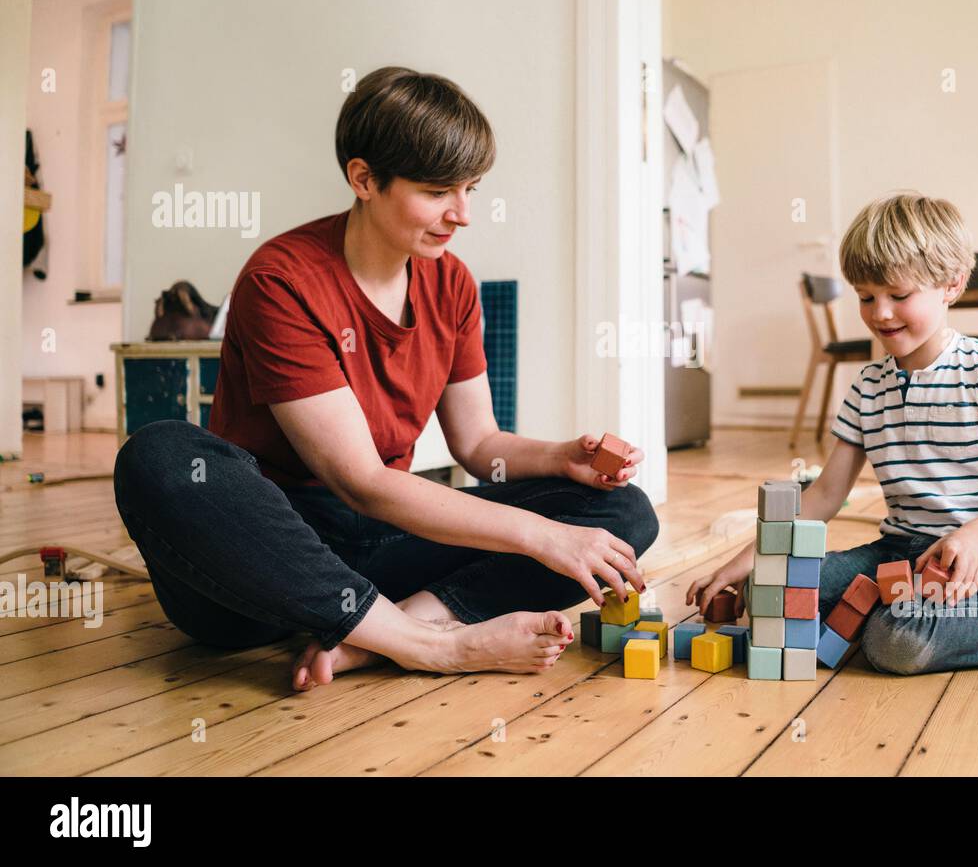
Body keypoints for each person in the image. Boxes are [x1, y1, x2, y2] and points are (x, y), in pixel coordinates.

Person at [114, 67, 660, 692]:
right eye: (437, 192)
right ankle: (433, 648)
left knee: (620, 516)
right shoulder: (282, 280)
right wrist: (542, 536)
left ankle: (389, 632)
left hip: (383, 547)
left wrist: (559, 458)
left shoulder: (451, 282)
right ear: (364, 178)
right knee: (158, 456)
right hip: (267, 563)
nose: (463, 214)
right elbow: (363, 481)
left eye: (471, 188)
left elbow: (480, 446)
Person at [687, 192, 978, 677]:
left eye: (899, 296)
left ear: (951, 285)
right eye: (865, 297)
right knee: (769, 589)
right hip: (896, 551)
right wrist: (747, 561)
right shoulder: (867, 386)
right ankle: (879, 614)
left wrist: (976, 539)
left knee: (897, 640)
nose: (880, 313)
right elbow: (824, 496)